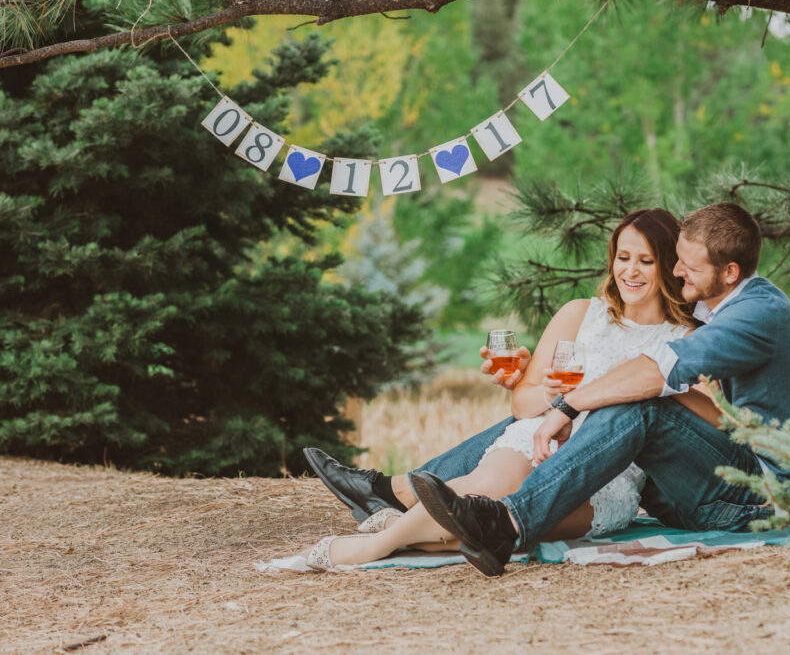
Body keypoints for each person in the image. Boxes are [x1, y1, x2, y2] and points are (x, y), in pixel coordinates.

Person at [409, 202, 790, 576]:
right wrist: (540, 389)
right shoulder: (722, 306)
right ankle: (409, 491)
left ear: (729, 273)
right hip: (696, 490)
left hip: (758, 494)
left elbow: (661, 370)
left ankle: (507, 522)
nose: (676, 272)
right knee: (626, 396)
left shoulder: (759, 312)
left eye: (687, 265)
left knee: (644, 402)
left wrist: (568, 406)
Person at [301, 209, 720, 569]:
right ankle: (377, 545)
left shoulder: (688, 337)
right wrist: (552, 395)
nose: (630, 271)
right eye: (623, 257)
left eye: (645, 261)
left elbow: (719, 419)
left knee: (499, 527)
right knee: (484, 490)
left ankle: (395, 523)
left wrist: (657, 385)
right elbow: (523, 404)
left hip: (611, 476)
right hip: (537, 443)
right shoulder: (580, 314)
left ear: (669, 265)